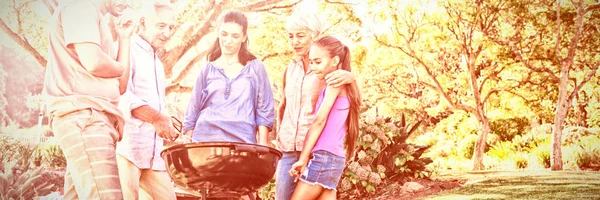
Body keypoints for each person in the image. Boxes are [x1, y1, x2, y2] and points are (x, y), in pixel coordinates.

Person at [42, 0, 136, 199]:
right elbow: (94, 62)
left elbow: (120, 85)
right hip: (84, 117)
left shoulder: (98, 18)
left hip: (93, 119)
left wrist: (124, 39)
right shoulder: (80, 7)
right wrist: (119, 67)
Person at [275, 11, 357, 200]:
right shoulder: (290, 69)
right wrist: (279, 138)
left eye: (301, 35)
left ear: (315, 35)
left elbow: (346, 93)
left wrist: (352, 78)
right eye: (291, 36)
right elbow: (284, 106)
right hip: (288, 150)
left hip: (314, 150)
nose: (295, 41)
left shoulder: (327, 70)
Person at [115, 1, 179, 199]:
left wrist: (167, 119)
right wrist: (156, 118)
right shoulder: (126, 48)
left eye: (171, 28)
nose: (167, 33)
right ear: (142, 23)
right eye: (161, 26)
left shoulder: (158, 63)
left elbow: (154, 105)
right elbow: (122, 95)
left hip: (153, 153)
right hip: (127, 149)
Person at [182, 10, 275, 146]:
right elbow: (192, 110)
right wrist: (188, 144)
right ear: (218, 33)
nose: (228, 41)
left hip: (243, 141)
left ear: (244, 37)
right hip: (205, 141)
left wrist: (262, 143)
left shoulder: (256, 68)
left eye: (235, 36)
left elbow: (264, 108)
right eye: (224, 34)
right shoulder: (207, 70)